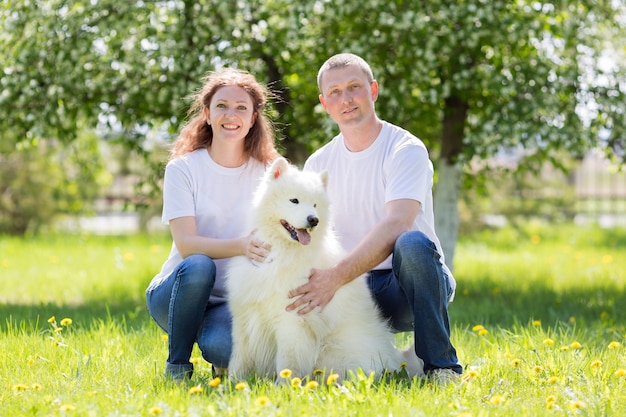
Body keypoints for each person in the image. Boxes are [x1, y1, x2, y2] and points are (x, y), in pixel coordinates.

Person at [287, 53, 463, 383]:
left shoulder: (405, 149)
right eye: (335, 92)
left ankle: (441, 366)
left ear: (373, 91)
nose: (346, 98)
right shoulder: (318, 163)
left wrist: (334, 278)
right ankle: (292, 366)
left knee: (411, 242)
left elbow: (397, 224)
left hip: (405, 287)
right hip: (349, 291)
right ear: (325, 103)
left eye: (354, 87)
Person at [146, 68, 279, 381]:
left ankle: (213, 349)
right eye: (221, 106)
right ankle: (177, 367)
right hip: (177, 292)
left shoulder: (269, 172)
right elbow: (187, 245)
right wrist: (241, 246)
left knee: (227, 350)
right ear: (206, 113)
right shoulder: (183, 169)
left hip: (229, 302)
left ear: (253, 117)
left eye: (241, 108)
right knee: (199, 265)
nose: (230, 115)